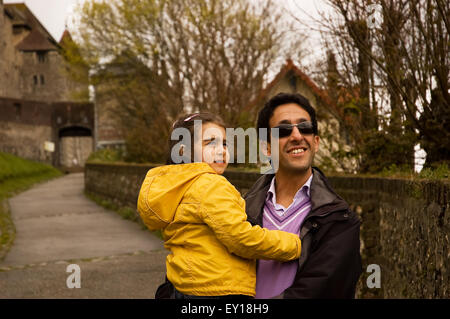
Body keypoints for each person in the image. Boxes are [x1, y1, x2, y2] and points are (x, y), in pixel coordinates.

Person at [137, 112, 302, 299]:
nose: (221, 150)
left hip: (184, 286)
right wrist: (295, 244)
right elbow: (242, 238)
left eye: (224, 143)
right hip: (218, 288)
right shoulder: (210, 185)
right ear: (183, 151)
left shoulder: (177, 186)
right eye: (210, 143)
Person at [244, 92, 362, 299]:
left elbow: (319, 292)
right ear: (267, 148)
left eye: (305, 127)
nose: (297, 136)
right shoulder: (239, 212)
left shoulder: (340, 221)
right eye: (283, 130)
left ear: (315, 142)